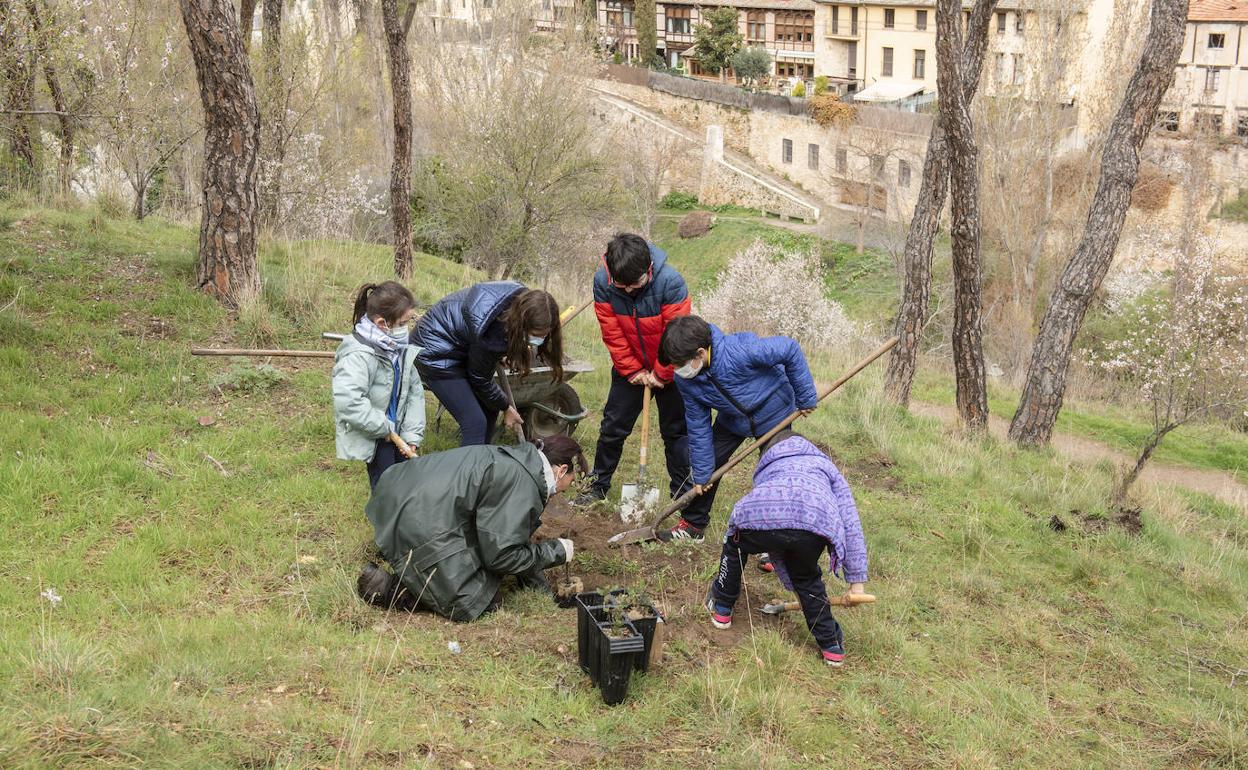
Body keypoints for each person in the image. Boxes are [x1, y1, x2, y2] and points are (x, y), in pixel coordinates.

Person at [356, 435, 587, 622]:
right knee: (478, 600)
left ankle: (398, 551)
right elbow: (500, 556)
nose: (568, 489)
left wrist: (543, 592)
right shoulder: (523, 484)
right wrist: (555, 551)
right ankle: (389, 588)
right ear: (561, 470)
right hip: (420, 522)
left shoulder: (517, 460)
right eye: (571, 481)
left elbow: (510, 536)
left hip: (399, 500)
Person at [706, 430, 868, 667]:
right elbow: (851, 524)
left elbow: (767, 509)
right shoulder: (826, 467)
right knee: (806, 577)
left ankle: (722, 606)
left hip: (764, 516)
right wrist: (857, 584)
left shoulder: (768, 464)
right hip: (814, 525)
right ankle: (831, 645)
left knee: (735, 543)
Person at [656, 315, 818, 542]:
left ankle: (774, 541)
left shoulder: (741, 350)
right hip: (732, 419)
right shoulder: (687, 380)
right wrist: (702, 475)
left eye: (679, 365)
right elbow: (698, 425)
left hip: (773, 412)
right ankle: (693, 525)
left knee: (774, 470)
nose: (677, 370)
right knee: (708, 465)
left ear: (700, 353)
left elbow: (789, 349)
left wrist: (806, 396)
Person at [574, 233, 692, 507]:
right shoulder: (603, 282)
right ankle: (597, 486)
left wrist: (661, 373)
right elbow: (612, 332)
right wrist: (632, 370)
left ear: (648, 269)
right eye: (621, 285)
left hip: (670, 366)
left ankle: (681, 494)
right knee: (612, 427)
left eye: (635, 283)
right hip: (630, 367)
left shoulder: (670, 283)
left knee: (675, 431)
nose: (627, 290)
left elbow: (676, 336)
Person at [413, 282, 562, 446]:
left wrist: (496, 357)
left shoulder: (520, 303)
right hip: (434, 352)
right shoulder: (493, 333)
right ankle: (468, 471)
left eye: (544, 334)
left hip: (458, 347)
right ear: (521, 325)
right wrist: (507, 407)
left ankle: (481, 461)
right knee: (475, 423)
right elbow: (480, 379)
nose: (539, 339)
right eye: (535, 334)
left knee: (490, 408)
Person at [332, 282, 425, 489]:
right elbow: (349, 402)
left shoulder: (398, 348)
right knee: (385, 487)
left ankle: (402, 517)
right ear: (382, 323)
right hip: (377, 433)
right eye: (403, 322)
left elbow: (414, 393)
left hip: (400, 429)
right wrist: (385, 428)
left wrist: (411, 434)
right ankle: (386, 519)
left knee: (405, 483)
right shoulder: (358, 356)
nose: (407, 328)